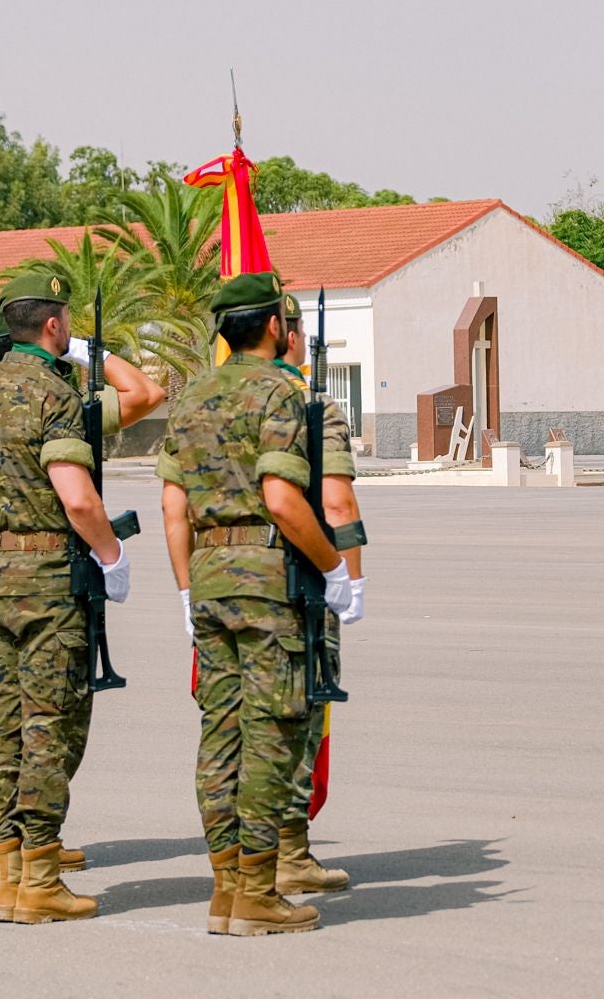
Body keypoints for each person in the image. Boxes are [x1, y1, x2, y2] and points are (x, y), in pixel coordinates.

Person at [156, 271, 353, 937]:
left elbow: (174, 507)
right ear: (274, 325)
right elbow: (282, 498)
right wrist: (334, 569)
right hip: (269, 580)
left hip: (209, 576)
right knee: (271, 733)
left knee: (221, 734)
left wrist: (187, 587)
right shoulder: (284, 393)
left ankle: (226, 888)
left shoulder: (190, 398)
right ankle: (259, 893)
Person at [0, 306, 165, 877]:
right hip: (48, 576)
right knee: (51, 718)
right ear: (49, 329)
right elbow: (145, 396)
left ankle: (5, 847)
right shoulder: (61, 400)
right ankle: (37, 856)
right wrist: (112, 556)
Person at [272, 293, 365, 894]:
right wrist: (350, 577)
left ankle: (236, 862)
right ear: (283, 332)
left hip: (219, 583)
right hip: (296, 580)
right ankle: (287, 854)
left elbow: (176, 505)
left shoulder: (203, 400)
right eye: (301, 328)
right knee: (298, 716)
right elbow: (337, 504)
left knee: (234, 726)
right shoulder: (310, 405)